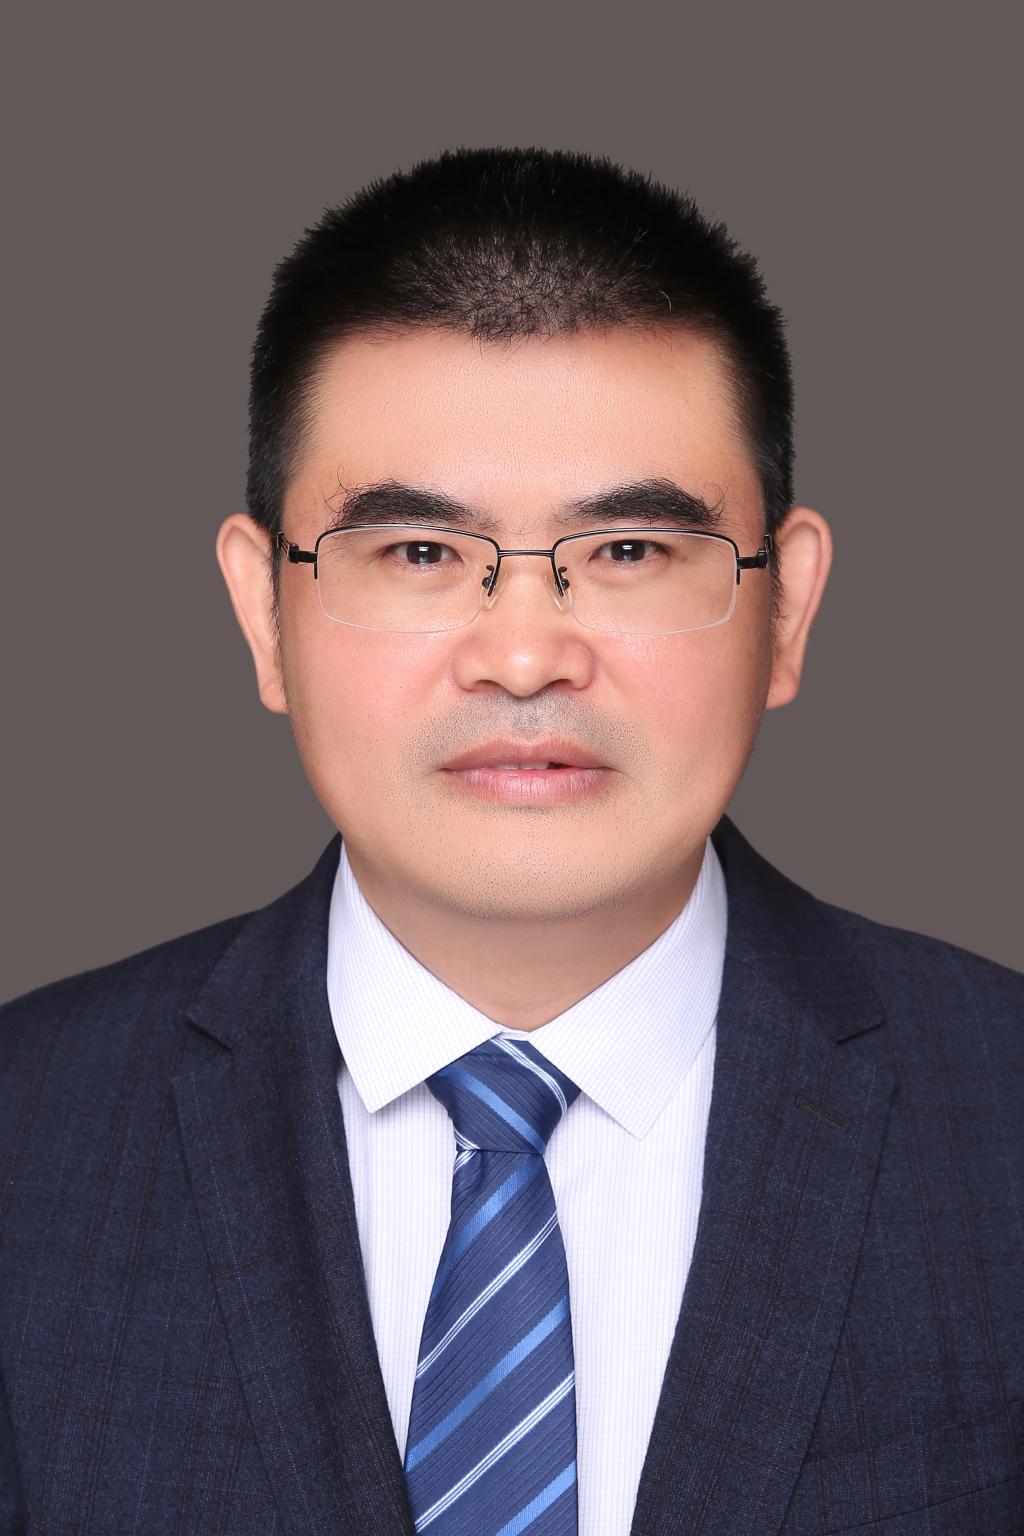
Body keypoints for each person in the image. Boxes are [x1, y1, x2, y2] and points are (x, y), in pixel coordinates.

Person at [1, 146, 1021, 1536]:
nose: (527, 656)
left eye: (629, 553)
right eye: (420, 554)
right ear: (263, 613)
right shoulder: (28, 1139)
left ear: (784, 611)